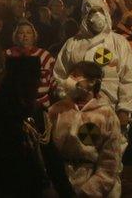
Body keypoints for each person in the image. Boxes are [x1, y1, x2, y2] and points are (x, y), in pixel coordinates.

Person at [54, 0, 132, 197]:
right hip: (78, 114)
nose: (95, 16)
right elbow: (59, 76)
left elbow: (130, 77)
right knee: (76, 164)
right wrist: (67, 97)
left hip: (111, 115)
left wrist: (125, 108)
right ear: (84, 16)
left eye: (99, 11)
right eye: (90, 12)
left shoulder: (119, 43)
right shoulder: (73, 45)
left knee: (109, 168)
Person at [0, 56, 71, 197]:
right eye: (32, 80)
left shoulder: (36, 112)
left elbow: (50, 156)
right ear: (18, 81)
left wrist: (67, 192)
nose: (37, 84)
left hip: (30, 188)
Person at [49, 61, 120, 197]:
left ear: (92, 82)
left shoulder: (107, 116)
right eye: (70, 75)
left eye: (75, 76)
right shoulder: (56, 110)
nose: (70, 80)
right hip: (57, 184)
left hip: (87, 182)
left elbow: (109, 162)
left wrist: (88, 191)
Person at [0, 20, 56, 108]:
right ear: (16, 37)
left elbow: (53, 80)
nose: (25, 36)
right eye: (21, 33)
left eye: (28, 32)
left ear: (34, 36)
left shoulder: (45, 55)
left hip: (40, 105)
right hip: (14, 105)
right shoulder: (7, 55)